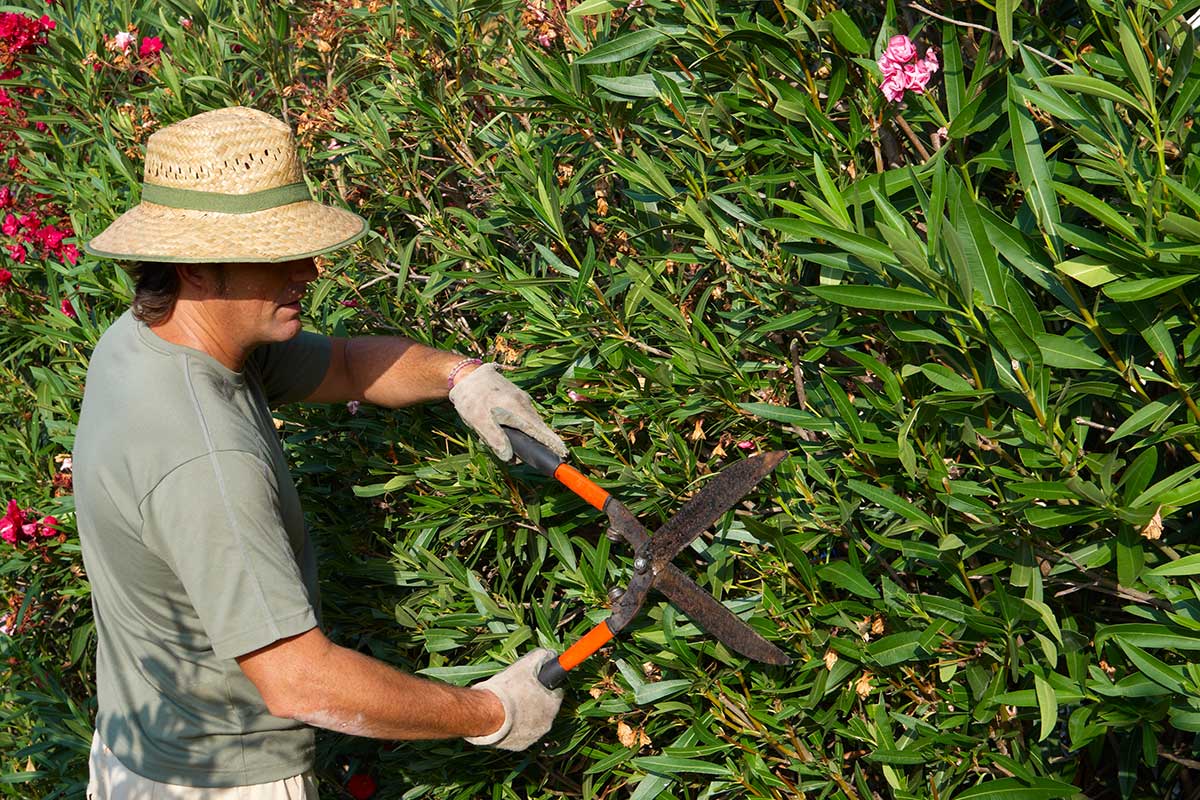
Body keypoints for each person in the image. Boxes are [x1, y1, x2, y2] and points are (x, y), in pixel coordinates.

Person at [74, 106, 565, 798]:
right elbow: (299, 680)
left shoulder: (148, 340)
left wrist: (461, 377)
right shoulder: (206, 458)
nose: (309, 269)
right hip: (222, 784)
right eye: (277, 254)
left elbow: (340, 365)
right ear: (192, 268)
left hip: (138, 749)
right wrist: (490, 711)